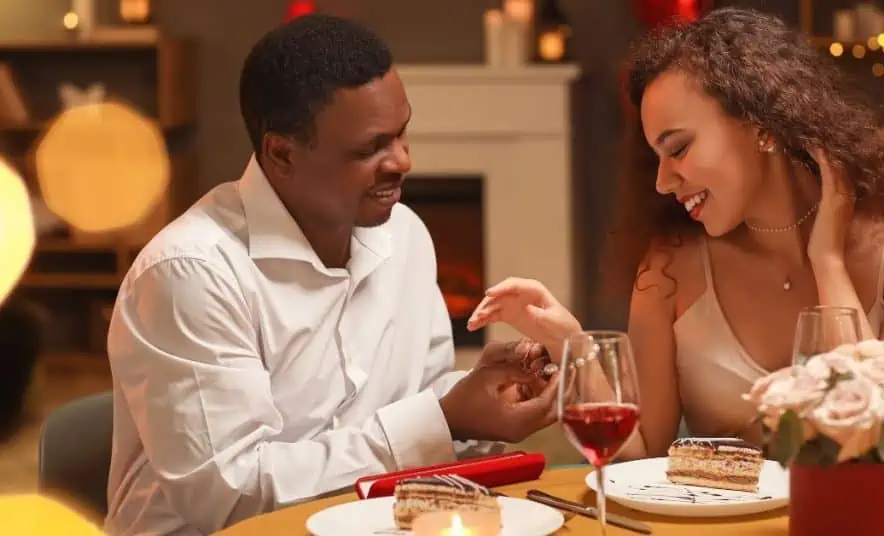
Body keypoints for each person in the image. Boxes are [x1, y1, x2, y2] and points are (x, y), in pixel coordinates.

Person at [105, 15, 556, 536]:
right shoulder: (191, 274)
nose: (403, 160)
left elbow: (424, 405)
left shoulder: (405, 234)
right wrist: (445, 418)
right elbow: (233, 500)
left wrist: (486, 396)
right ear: (281, 154)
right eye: (370, 149)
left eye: (403, 132)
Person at [468, 8, 884, 459]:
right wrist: (568, 343)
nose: (661, 181)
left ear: (762, 123)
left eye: (678, 148)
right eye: (655, 156)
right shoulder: (669, 268)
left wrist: (827, 261)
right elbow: (638, 455)